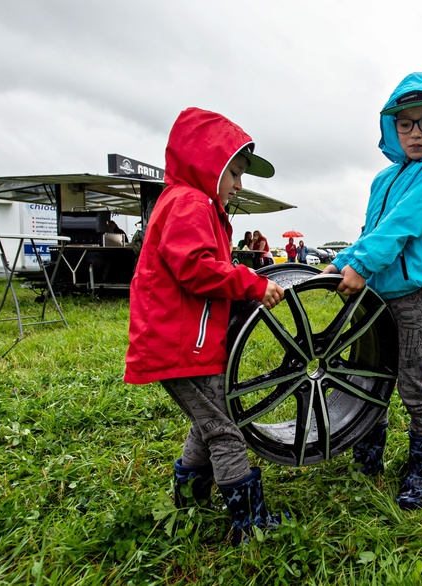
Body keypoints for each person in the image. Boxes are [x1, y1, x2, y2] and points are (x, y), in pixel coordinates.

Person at [123, 107, 287, 545]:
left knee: (206, 420)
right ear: (207, 164)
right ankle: (250, 525)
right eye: (234, 173)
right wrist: (249, 284)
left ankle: (189, 503)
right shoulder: (190, 203)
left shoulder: (192, 204)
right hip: (181, 348)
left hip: (187, 345)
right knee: (224, 429)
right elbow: (195, 269)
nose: (238, 185)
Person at [324, 72, 422, 510]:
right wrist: (342, 262)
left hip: (416, 296)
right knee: (371, 376)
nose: (416, 133)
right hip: (376, 298)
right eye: (406, 123)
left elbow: (405, 223)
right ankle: (369, 454)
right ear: (392, 125)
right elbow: (374, 229)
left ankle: (421, 467)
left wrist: (361, 264)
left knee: (413, 381)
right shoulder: (382, 179)